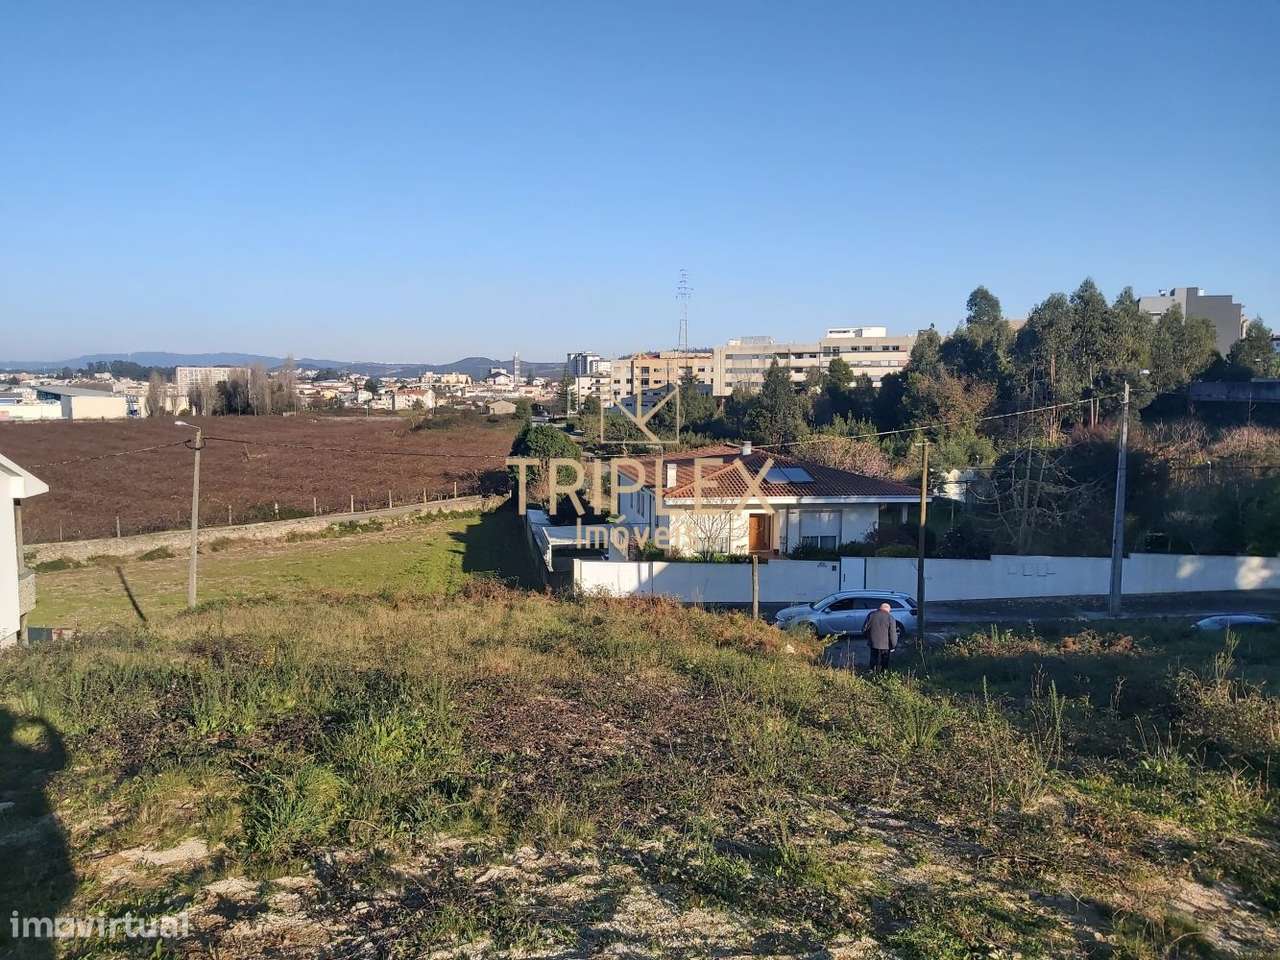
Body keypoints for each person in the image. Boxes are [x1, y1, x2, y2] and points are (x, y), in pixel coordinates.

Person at [864, 602, 898, 673]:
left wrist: (869, 638)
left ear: (880, 608)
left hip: (873, 643)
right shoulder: (890, 618)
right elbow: (892, 634)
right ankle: (883, 675)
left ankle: (871, 672)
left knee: (873, 659)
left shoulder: (871, 615)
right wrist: (893, 646)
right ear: (888, 610)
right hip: (886, 645)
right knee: (884, 661)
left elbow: (864, 629)